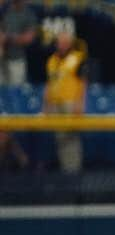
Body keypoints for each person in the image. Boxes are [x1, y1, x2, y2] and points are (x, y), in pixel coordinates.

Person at [43, 30, 86, 174]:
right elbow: (49, 84)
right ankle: (65, 171)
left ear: (70, 44)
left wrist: (79, 105)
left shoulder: (77, 58)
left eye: (65, 42)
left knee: (72, 139)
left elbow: (83, 83)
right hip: (55, 104)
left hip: (70, 103)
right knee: (60, 139)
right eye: (60, 42)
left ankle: (74, 171)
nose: (62, 45)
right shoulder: (52, 60)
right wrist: (46, 106)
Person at [1, 0, 37, 85]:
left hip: (17, 59)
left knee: (16, 90)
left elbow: (29, 38)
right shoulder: (5, 10)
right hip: (2, 59)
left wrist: (9, 38)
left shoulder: (29, 14)